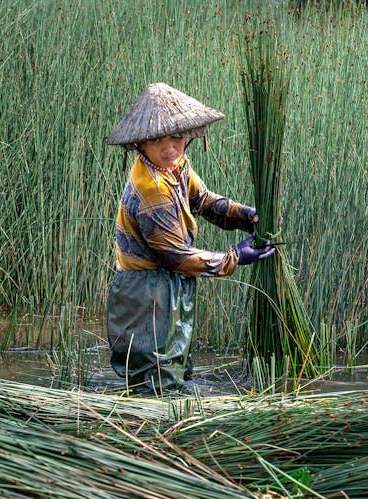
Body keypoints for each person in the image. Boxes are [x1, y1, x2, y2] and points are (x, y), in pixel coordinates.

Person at [104, 83, 275, 394]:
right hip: (146, 292)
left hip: (169, 284)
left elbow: (203, 200)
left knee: (175, 367)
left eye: (177, 137)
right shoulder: (152, 188)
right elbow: (177, 257)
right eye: (157, 140)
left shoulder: (175, 166)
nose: (169, 148)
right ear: (140, 142)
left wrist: (243, 214)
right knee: (154, 378)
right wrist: (234, 257)